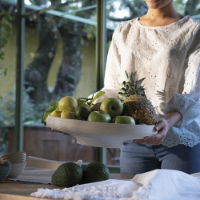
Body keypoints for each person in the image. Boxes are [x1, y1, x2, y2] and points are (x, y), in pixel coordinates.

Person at [102, 0, 200, 175]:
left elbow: (196, 91)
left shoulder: (193, 31)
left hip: (179, 140)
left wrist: (167, 123)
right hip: (134, 139)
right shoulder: (124, 32)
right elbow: (112, 87)